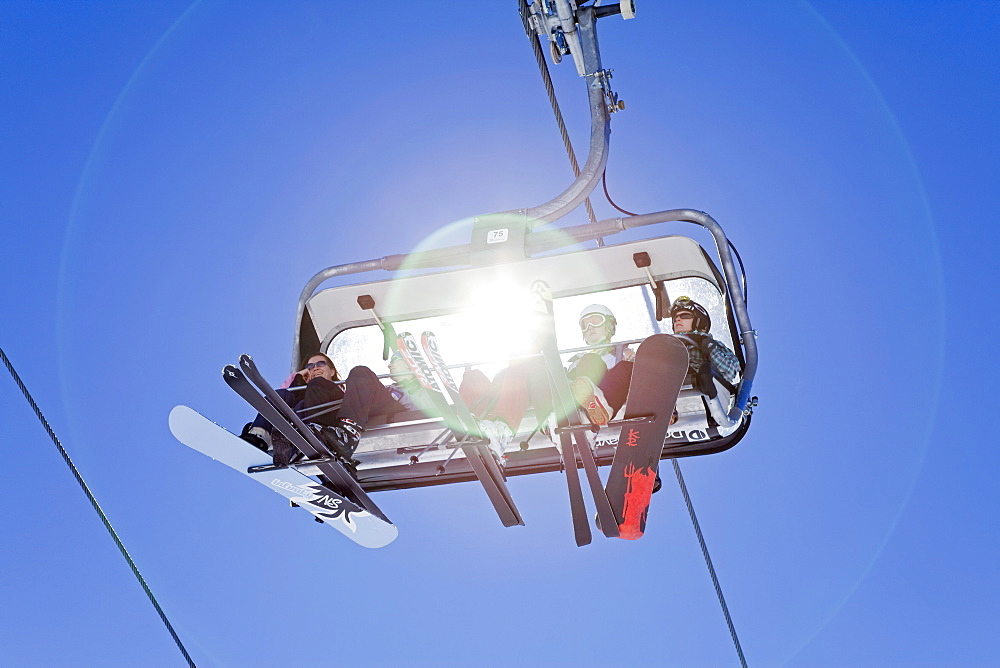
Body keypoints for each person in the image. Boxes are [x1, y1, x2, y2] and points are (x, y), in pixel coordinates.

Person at [468, 304, 635, 463]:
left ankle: (589, 413)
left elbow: (638, 387)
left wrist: (633, 360)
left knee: (592, 360)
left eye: (596, 321)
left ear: (610, 325)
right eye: (585, 324)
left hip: (607, 397)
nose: (589, 327)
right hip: (568, 400)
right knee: (538, 368)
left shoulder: (622, 356)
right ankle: (553, 422)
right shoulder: (575, 361)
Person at [667, 296, 741, 396]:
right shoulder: (667, 345)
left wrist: (709, 349)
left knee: (705, 369)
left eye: (685, 316)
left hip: (703, 386)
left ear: (698, 321)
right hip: (670, 382)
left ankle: (704, 385)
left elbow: (729, 371)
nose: (677, 319)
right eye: (675, 318)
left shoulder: (714, 345)